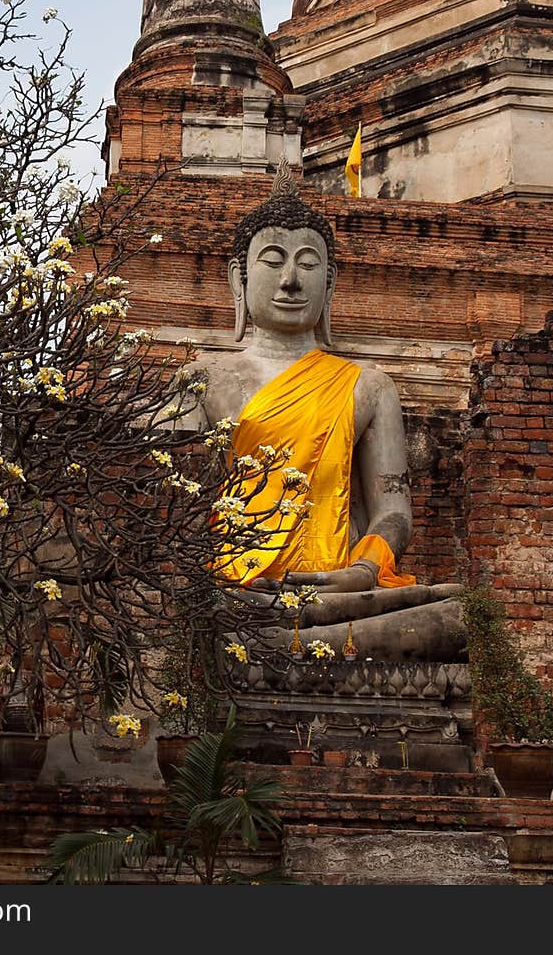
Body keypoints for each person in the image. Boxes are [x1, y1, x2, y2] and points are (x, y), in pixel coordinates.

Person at [180, 159, 464, 659]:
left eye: (307, 263)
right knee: (196, 611)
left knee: (456, 613)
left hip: (342, 592)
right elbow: (180, 509)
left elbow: (393, 511)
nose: (290, 280)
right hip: (239, 589)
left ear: (329, 284)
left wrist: (362, 570)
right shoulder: (203, 380)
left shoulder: (369, 387)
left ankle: (290, 640)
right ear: (238, 280)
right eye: (272, 261)